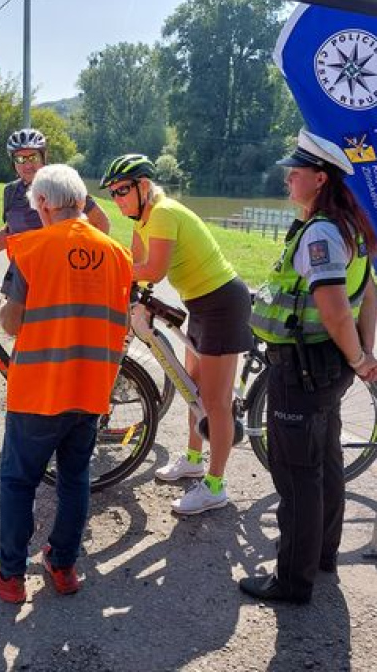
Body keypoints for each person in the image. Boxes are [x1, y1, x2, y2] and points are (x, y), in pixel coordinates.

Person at [0, 164, 132, 603]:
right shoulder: (119, 255)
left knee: (18, 481)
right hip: (92, 388)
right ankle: (63, 566)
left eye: (35, 206)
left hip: (40, 389)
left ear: (44, 202)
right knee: (75, 478)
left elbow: (11, 322)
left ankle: (10, 575)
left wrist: (10, 308)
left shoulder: (33, 247)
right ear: (81, 201)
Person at [239, 129, 377, 604]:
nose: (287, 180)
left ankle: (292, 580)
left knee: (296, 474)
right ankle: (320, 552)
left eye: (294, 173)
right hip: (328, 365)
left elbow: (338, 306)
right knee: (325, 461)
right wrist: (360, 355)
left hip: (303, 366)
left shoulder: (320, 232)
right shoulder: (350, 227)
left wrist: (361, 356)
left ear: (320, 178)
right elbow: (370, 294)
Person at [100, 154, 252, 515]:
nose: (117, 199)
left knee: (215, 402)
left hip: (223, 304)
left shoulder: (164, 212)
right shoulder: (142, 220)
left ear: (144, 187)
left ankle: (216, 486)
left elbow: (153, 269)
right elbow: (135, 270)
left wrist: (114, 276)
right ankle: (194, 460)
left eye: (123, 190)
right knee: (192, 390)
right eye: (113, 193)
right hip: (201, 305)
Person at [0, 128, 110, 287]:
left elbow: (101, 222)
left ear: (43, 157)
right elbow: (9, 232)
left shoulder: (62, 185)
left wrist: (88, 264)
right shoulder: (11, 191)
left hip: (56, 275)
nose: (27, 164)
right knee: (6, 310)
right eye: (20, 158)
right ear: (13, 162)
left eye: (32, 157)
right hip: (21, 270)